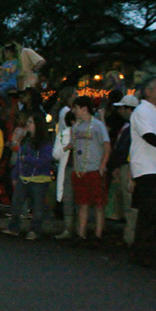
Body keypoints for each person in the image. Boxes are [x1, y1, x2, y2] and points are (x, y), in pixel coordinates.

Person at [2, 112, 53, 239]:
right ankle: (13, 227)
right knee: (16, 203)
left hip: (39, 179)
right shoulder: (26, 140)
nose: (27, 124)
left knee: (37, 206)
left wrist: (28, 159)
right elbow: (19, 158)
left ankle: (34, 230)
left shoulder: (45, 143)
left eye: (30, 122)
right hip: (24, 177)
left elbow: (46, 161)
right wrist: (15, 175)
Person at [67, 96, 111, 242]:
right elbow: (73, 145)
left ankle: (98, 235)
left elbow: (106, 146)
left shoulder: (98, 126)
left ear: (84, 108)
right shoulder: (76, 127)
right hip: (80, 171)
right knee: (82, 203)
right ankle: (81, 233)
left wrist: (102, 165)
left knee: (99, 204)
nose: (74, 111)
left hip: (94, 169)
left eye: (76, 108)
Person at [129, 76, 156, 268]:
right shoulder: (141, 111)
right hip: (147, 168)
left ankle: (149, 252)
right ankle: (142, 254)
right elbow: (149, 136)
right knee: (150, 212)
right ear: (148, 91)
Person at [107, 94, 138, 244]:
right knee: (127, 204)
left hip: (128, 167)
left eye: (122, 108)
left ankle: (131, 237)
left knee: (129, 205)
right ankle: (129, 235)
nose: (120, 111)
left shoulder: (133, 127)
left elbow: (126, 150)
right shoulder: (128, 126)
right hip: (125, 166)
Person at [53, 111, 77, 239]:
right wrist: (66, 147)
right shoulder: (63, 135)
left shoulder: (84, 134)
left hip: (81, 169)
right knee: (67, 197)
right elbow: (55, 154)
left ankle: (78, 228)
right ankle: (68, 228)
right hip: (67, 168)